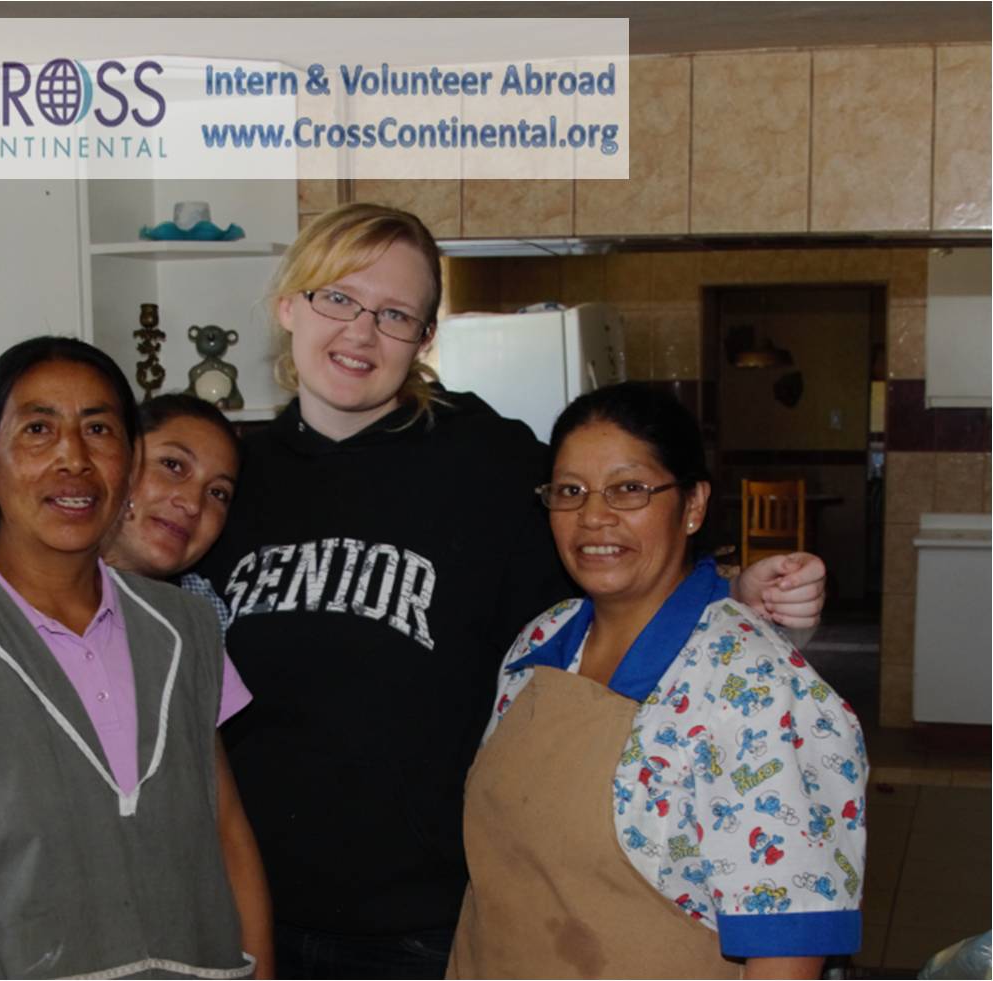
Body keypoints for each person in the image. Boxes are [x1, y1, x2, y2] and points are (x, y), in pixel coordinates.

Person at [192, 202, 830, 978]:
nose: (361, 332)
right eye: (338, 297)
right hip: (243, 907)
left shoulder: (487, 461)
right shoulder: (230, 480)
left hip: (421, 928)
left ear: (425, 336)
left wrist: (731, 588)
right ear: (289, 305)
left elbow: (609, 552)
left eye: (395, 314)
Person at [0, 337, 272, 979]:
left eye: (98, 429)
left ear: (127, 465)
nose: (74, 457)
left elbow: (229, 840)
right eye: (39, 429)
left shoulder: (184, 628)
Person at [447, 382, 865, 978]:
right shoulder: (540, 642)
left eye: (629, 488)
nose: (593, 516)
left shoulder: (751, 686)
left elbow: (787, 946)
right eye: (570, 491)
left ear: (692, 505)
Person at [103, 392, 241, 634]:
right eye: (173, 465)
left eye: (217, 493)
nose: (193, 504)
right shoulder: (38, 586)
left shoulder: (205, 616)